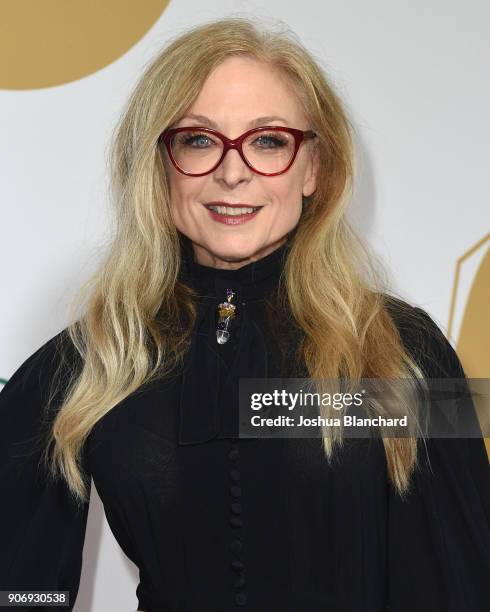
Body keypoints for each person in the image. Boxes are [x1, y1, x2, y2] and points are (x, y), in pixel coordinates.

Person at [1, 16, 489, 612]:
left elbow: (462, 582)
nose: (233, 173)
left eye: (268, 141)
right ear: (158, 165)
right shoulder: (87, 363)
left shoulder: (402, 348)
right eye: (199, 140)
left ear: (314, 168)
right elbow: (20, 592)